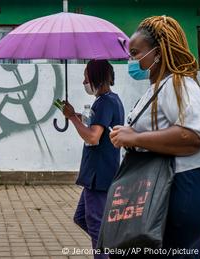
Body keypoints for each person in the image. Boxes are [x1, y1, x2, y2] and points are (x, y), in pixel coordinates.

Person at [110, 15, 200, 258]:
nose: (131, 60)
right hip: (173, 183)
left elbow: (194, 134)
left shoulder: (178, 83)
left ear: (158, 52)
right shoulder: (160, 87)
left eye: (135, 53)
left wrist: (133, 138)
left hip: (187, 183)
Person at [62, 59, 124, 259]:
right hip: (98, 174)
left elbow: (93, 136)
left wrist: (72, 118)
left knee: (96, 224)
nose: (83, 82)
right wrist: (78, 116)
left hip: (99, 174)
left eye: (86, 77)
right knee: (83, 218)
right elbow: (97, 126)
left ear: (96, 77)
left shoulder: (105, 102)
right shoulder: (110, 100)